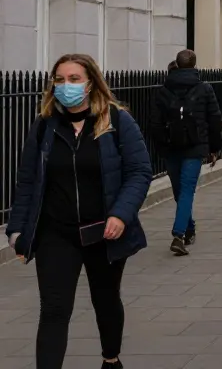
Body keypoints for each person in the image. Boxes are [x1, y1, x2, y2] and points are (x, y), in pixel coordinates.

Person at [6, 53, 151, 369]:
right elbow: (27, 180)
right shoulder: (44, 127)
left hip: (104, 231)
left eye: (74, 79)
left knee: (106, 300)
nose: (66, 86)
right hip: (55, 233)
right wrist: (17, 229)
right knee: (54, 309)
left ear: (91, 83)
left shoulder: (116, 120)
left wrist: (120, 214)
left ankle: (110, 359)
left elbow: (139, 171)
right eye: (59, 79)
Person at [150, 49, 222, 255]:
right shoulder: (205, 88)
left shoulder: (162, 90)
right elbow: (214, 119)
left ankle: (185, 230)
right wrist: (214, 148)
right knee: (186, 190)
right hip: (195, 146)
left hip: (171, 146)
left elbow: (155, 123)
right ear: (194, 64)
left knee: (179, 191)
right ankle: (181, 232)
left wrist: (161, 145)